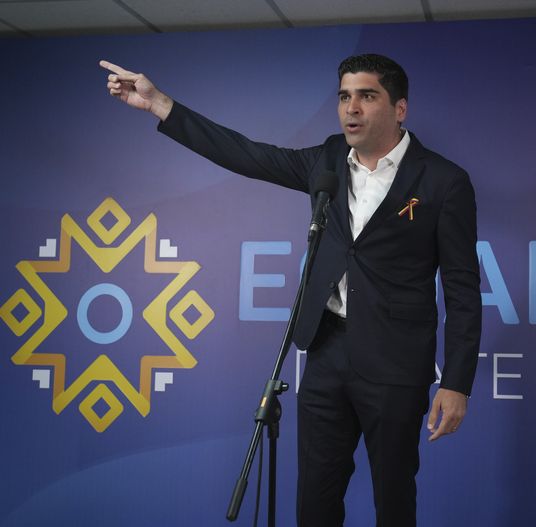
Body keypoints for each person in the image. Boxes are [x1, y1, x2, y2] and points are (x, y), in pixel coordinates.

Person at [101, 53, 482, 527]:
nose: (352, 109)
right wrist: (161, 106)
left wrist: (457, 382)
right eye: (345, 96)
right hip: (326, 351)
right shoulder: (326, 160)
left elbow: (464, 290)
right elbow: (247, 154)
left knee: (394, 499)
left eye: (367, 96)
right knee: (315, 500)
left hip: (396, 363)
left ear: (399, 109)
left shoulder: (444, 182)